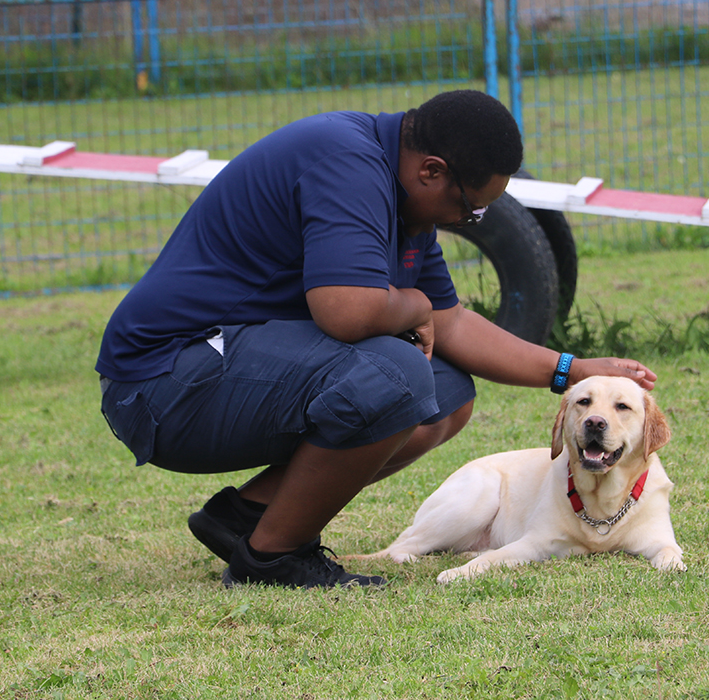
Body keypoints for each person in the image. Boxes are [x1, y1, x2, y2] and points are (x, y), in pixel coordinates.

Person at [96, 89, 656, 589]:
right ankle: (273, 557)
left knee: (444, 391)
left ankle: (250, 518)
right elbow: (346, 311)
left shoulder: (403, 199)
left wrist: (572, 369)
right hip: (162, 383)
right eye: (470, 206)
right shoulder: (348, 162)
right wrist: (411, 304)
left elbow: (452, 324)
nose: (472, 219)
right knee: (398, 373)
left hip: (215, 372)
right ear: (431, 172)